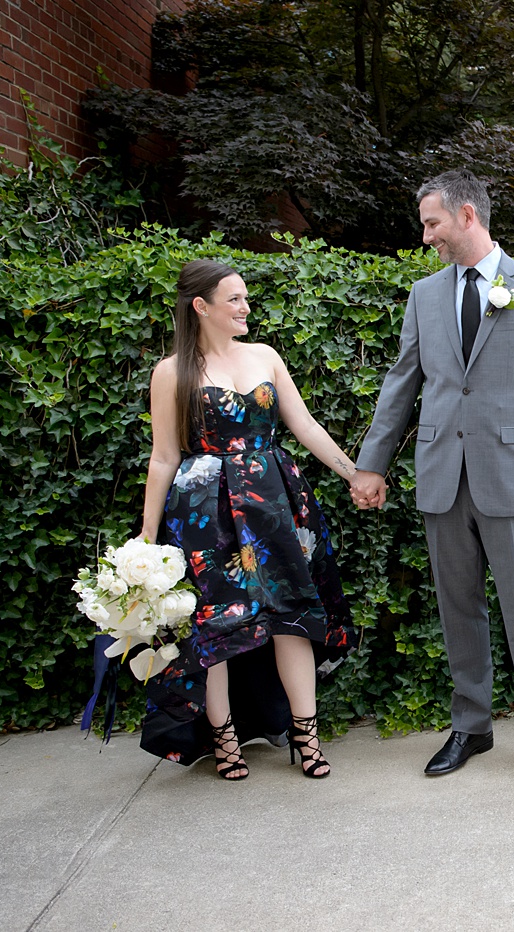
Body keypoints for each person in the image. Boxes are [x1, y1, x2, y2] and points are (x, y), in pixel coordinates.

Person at [351, 169, 514, 794]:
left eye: (433, 224)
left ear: (468, 216)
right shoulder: (425, 296)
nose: (427, 237)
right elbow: (403, 384)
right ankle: (471, 726)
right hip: (442, 478)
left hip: (513, 478)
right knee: (458, 609)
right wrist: (373, 462)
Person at [136, 259, 359, 780]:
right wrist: (147, 536)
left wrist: (354, 474)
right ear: (201, 306)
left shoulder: (265, 355)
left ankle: (306, 738)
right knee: (214, 626)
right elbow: (164, 456)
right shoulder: (171, 372)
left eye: (244, 298)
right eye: (233, 299)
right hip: (203, 512)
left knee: (292, 616)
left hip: (275, 502)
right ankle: (225, 742)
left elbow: (302, 424)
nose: (245, 307)